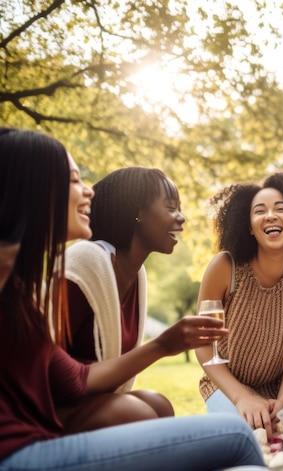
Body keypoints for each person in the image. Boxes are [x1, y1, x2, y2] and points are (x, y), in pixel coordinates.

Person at [0, 127, 264, 470]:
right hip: (20, 454)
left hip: (38, 442)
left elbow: (75, 378)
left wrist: (163, 345)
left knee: (234, 457)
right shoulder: (53, 272)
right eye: (74, 180)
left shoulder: (18, 291)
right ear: (33, 188)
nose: (88, 191)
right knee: (237, 435)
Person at [196, 170, 283, 439]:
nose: (270, 215)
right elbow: (204, 346)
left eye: (280, 209)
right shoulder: (224, 267)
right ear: (249, 226)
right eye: (259, 211)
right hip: (227, 382)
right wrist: (242, 399)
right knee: (245, 439)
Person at [56, 167, 185, 432]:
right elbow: (47, 368)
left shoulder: (137, 275)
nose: (181, 218)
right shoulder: (85, 261)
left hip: (92, 401)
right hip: (49, 408)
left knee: (158, 404)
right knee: (137, 412)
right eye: (171, 208)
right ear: (138, 212)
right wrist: (162, 345)